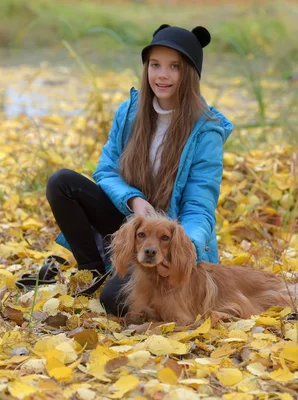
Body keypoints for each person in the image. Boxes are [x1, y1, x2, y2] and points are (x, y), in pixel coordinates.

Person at [45, 24, 233, 317]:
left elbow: (200, 209)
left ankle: (117, 280)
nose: (162, 75)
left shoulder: (206, 131)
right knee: (62, 183)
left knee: (115, 303)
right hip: (130, 224)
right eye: (155, 65)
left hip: (167, 241)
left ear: (191, 75)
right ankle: (94, 271)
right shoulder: (130, 111)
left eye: (174, 67)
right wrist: (133, 201)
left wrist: (186, 250)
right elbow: (106, 171)